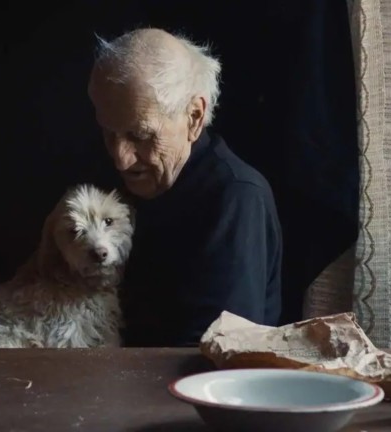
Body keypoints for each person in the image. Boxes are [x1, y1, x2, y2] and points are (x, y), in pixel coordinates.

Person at [87, 27, 282, 347]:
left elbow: (219, 351)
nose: (121, 159)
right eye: (109, 133)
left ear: (194, 117)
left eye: (140, 135)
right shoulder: (121, 180)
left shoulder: (237, 197)